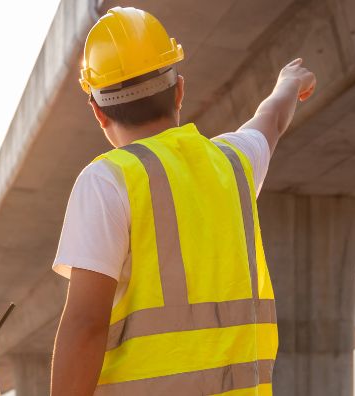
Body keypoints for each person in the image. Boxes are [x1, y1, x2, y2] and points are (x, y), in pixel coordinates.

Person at [47, 7, 316, 396]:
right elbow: (270, 120)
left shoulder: (108, 180)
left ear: (98, 112)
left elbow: (86, 323)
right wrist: (288, 84)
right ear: (179, 90)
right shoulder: (233, 163)